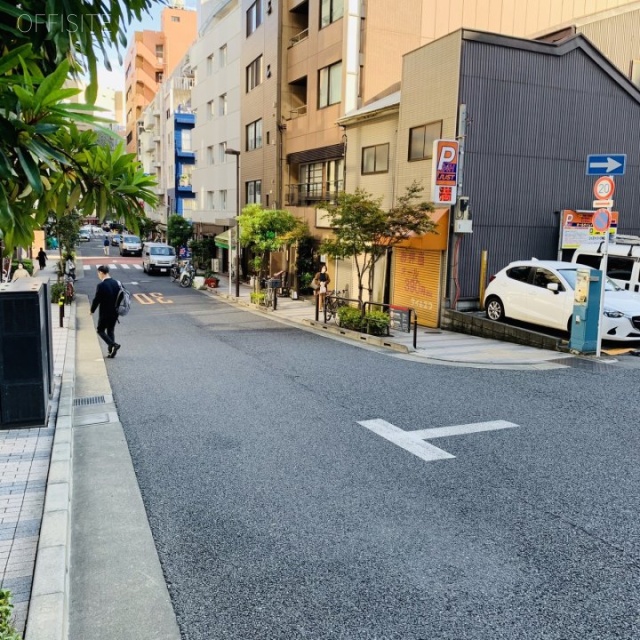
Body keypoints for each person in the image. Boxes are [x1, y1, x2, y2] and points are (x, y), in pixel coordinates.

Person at [90, 265, 121, 358]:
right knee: (110, 330)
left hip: (105, 312)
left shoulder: (101, 285)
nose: (98, 275)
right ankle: (111, 352)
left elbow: (97, 299)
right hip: (115, 311)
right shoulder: (117, 283)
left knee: (100, 330)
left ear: (101, 273)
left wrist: (92, 310)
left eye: (98, 273)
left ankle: (113, 345)